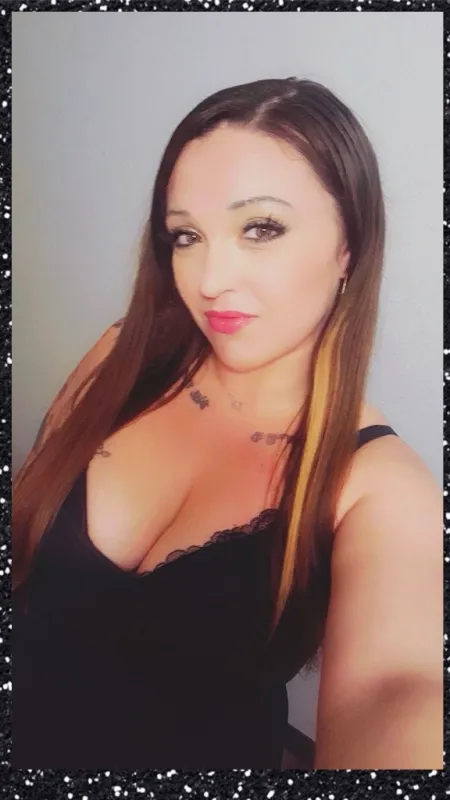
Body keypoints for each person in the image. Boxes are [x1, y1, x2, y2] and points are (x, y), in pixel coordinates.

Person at [12, 77, 442, 769]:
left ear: (349, 246)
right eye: (186, 235)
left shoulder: (381, 487)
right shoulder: (121, 356)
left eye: (260, 228)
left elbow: (395, 690)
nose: (209, 280)